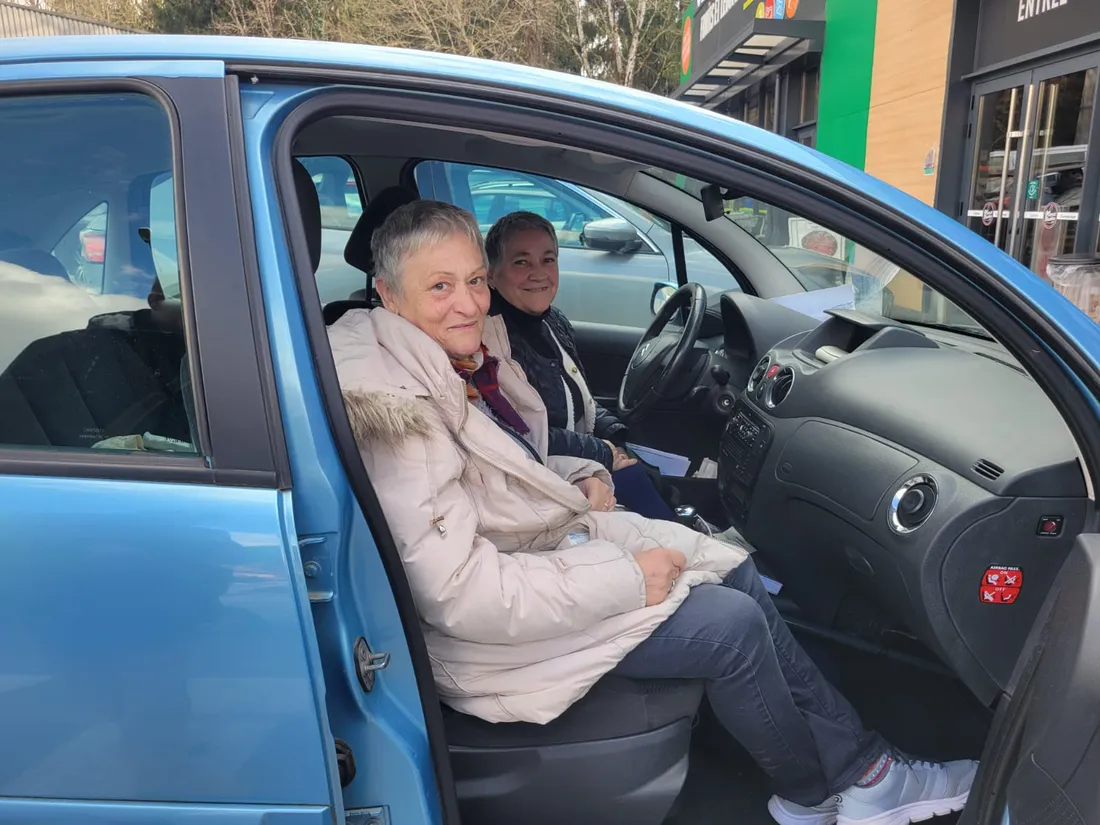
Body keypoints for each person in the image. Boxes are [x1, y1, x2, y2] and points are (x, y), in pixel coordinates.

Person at [328, 199, 977, 825]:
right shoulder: (398, 412)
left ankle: (860, 775)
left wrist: (577, 470)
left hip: (529, 556)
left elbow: (501, 474)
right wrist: (631, 577)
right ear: (387, 294)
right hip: (486, 639)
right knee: (731, 624)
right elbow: (463, 595)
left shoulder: (441, 362)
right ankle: (825, 789)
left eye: (472, 280)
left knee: (736, 572)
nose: (470, 302)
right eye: (440, 286)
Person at [484, 210, 679, 522]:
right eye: (521, 262)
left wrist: (614, 439)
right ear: (491, 274)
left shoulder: (553, 321)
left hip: (581, 455)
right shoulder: (490, 339)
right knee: (638, 482)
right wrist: (602, 451)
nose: (538, 273)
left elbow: (582, 399)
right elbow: (521, 432)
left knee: (647, 472)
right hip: (541, 472)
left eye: (548, 260)